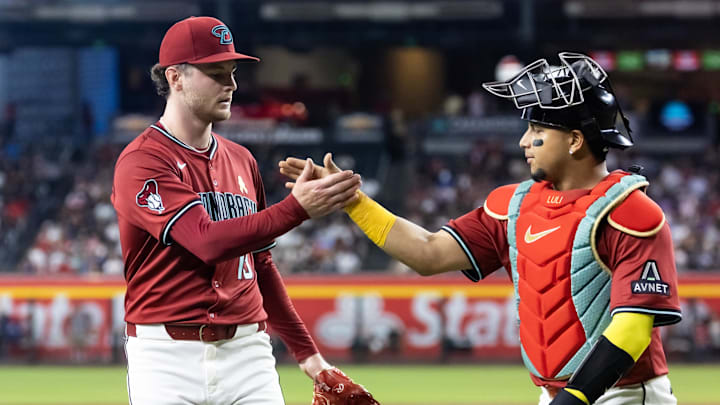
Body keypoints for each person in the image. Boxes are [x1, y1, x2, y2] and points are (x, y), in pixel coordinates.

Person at [280, 53, 682, 405]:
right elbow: (428, 252)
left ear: (576, 140)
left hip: (624, 394)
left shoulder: (630, 212)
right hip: (556, 394)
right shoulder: (513, 205)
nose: (525, 141)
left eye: (538, 131)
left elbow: (632, 329)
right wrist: (353, 201)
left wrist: (573, 400)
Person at [111, 16, 378, 405]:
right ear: (175, 77)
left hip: (248, 353)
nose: (231, 85)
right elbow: (204, 241)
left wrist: (309, 356)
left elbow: (260, 265)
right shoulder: (143, 160)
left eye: (233, 72)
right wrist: (296, 208)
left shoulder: (241, 159)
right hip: (165, 357)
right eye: (216, 73)